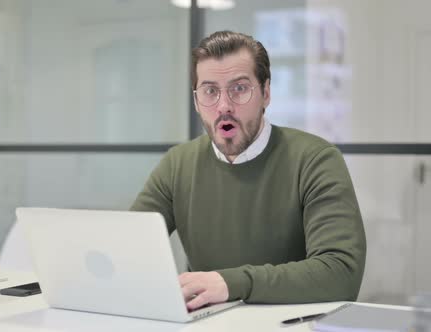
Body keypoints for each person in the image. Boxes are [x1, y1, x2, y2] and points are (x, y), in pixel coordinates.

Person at [130, 30, 366, 311]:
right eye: (210, 91)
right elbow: (126, 245)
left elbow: (341, 273)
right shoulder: (178, 163)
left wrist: (232, 283)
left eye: (239, 88)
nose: (224, 106)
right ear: (196, 101)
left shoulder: (315, 159)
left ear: (265, 93)